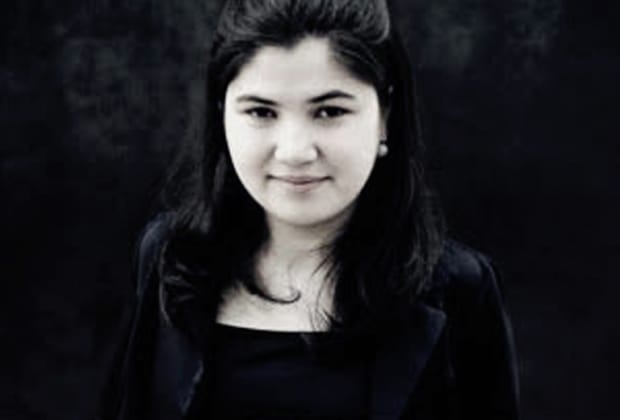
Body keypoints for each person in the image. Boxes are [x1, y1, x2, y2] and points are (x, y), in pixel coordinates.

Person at [98, 0, 520, 419]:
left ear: (385, 115)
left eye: (329, 111)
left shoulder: (459, 288)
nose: (295, 152)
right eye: (261, 111)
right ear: (222, 114)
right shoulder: (170, 260)